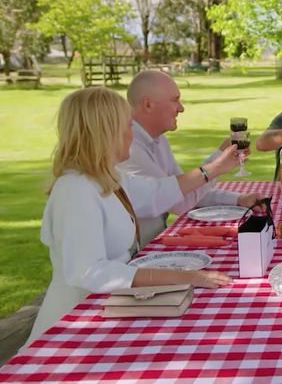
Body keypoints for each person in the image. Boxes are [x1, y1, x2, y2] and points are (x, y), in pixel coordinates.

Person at [29, 87, 235, 344]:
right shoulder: (75, 189)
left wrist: (214, 167)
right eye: (127, 125)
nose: (131, 134)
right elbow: (90, 271)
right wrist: (188, 277)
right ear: (105, 131)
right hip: (76, 325)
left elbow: (158, 192)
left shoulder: (105, 176)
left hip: (109, 310)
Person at [119, 70, 267, 246]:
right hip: (140, 254)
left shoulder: (158, 140)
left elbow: (186, 191)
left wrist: (239, 199)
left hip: (157, 243)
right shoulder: (129, 148)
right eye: (175, 100)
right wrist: (217, 165)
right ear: (148, 104)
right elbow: (180, 202)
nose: (181, 108)